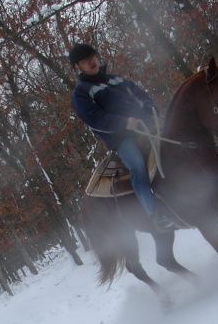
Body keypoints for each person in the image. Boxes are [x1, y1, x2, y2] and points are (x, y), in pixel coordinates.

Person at [69, 43, 176, 231]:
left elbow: (140, 95)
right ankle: (156, 214)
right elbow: (94, 119)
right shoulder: (81, 92)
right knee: (137, 167)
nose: (91, 61)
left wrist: (150, 109)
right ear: (78, 67)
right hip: (121, 139)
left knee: (176, 140)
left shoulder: (115, 79)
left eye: (92, 56)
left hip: (147, 126)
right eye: (85, 61)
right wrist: (124, 123)